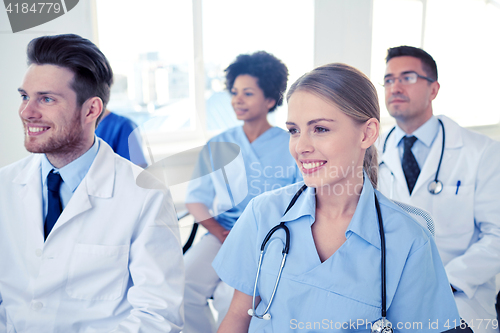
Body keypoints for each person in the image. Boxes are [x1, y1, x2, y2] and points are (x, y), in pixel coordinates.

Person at [213, 63, 463, 332]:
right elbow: (239, 315)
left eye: (320, 129)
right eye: (294, 130)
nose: (301, 147)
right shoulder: (264, 213)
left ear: (367, 133)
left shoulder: (408, 240)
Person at [0, 34, 184, 332]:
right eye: (24, 96)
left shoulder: (144, 195)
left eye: (46, 99)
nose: (26, 112)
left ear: (91, 110)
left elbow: (158, 315)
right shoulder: (5, 186)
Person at [377, 45, 500, 332]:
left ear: (434, 89)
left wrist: (442, 279)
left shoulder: (481, 152)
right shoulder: (371, 153)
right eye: (389, 79)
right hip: (386, 297)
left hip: (458, 296)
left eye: (407, 78)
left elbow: (497, 235)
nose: (395, 86)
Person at [183, 51, 301, 332]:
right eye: (235, 92)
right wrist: (218, 231)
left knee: (230, 297)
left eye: (248, 93)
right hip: (222, 234)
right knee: (183, 284)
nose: (237, 99)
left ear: (270, 99)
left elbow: (302, 201)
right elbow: (195, 198)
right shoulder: (219, 144)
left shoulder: (291, 145)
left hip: (270, 240)